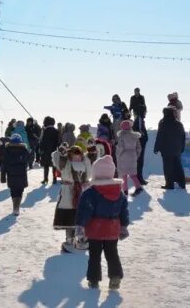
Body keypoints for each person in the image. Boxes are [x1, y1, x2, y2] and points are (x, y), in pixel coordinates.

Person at [76, 155, 129, 290]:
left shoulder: (91, 193)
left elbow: (85, 210)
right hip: (112, 229)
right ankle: (115, 277)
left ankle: (93, 280)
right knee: (112, 253)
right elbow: (124, 211)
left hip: (95, 230)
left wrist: (80, 225)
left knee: (94, 255)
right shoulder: (119, 192)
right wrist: (124, 226)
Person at [52, 144, 92, 252]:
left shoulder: (84, 163)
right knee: (69, 218)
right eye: (74, 155)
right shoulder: (65, 163)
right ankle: (69, 241)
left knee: (81, 218)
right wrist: (61, 152)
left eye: (78, 155)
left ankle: (82, 240)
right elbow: (56, 159)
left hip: (80, 192)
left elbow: (89, 172)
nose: (77, 158)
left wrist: (88, 156)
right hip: (67, 192)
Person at [154, 107, 186, 189]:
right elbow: (183, 136)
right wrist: (182, 147)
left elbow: (160, 137)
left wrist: (156, 147)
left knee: (168, 167)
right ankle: (182, 183)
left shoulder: (163, 123)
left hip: (166, 150)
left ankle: (169, 184)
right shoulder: (179, 124)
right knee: (178, 166)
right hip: (177, 149)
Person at [1, 133, 29, 216]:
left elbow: (4, 164)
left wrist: (3, 177)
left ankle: (15, 207)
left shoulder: (7, 150)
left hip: (11, 174)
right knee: (20, 192)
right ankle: (17, 208)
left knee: (13, 192)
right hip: (21, 174)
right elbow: (28, 160)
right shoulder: (24, 150)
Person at [116, 120, 143, 196]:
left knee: (123, 175)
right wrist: (136, 155)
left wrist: (118, 155)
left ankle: (125, 191)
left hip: (124, 156)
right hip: (133, 155)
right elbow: (139, 148)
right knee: (132, 174)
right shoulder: (135, 136)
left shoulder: (122, 136)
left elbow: (120, 148)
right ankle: (138, 187)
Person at [39, 116, 60, 184]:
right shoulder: (56, 131)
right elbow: (58, 141)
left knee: (46, 165)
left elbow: (42, 141)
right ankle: (54, 179)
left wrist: (41, 148)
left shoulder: (45, 131)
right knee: (54, 165)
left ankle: (45, 179)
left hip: (46, 150)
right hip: (54, 150)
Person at [132, 104, 148, 185]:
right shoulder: (139, 119)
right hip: (140, 143)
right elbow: (139, 131)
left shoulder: (139, 119)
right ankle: (139, 178)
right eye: (145, 110)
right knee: (139, 161)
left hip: (140, 143)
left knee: (140, 161)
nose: (146, 112)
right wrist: (144, 137)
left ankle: (140, 178)